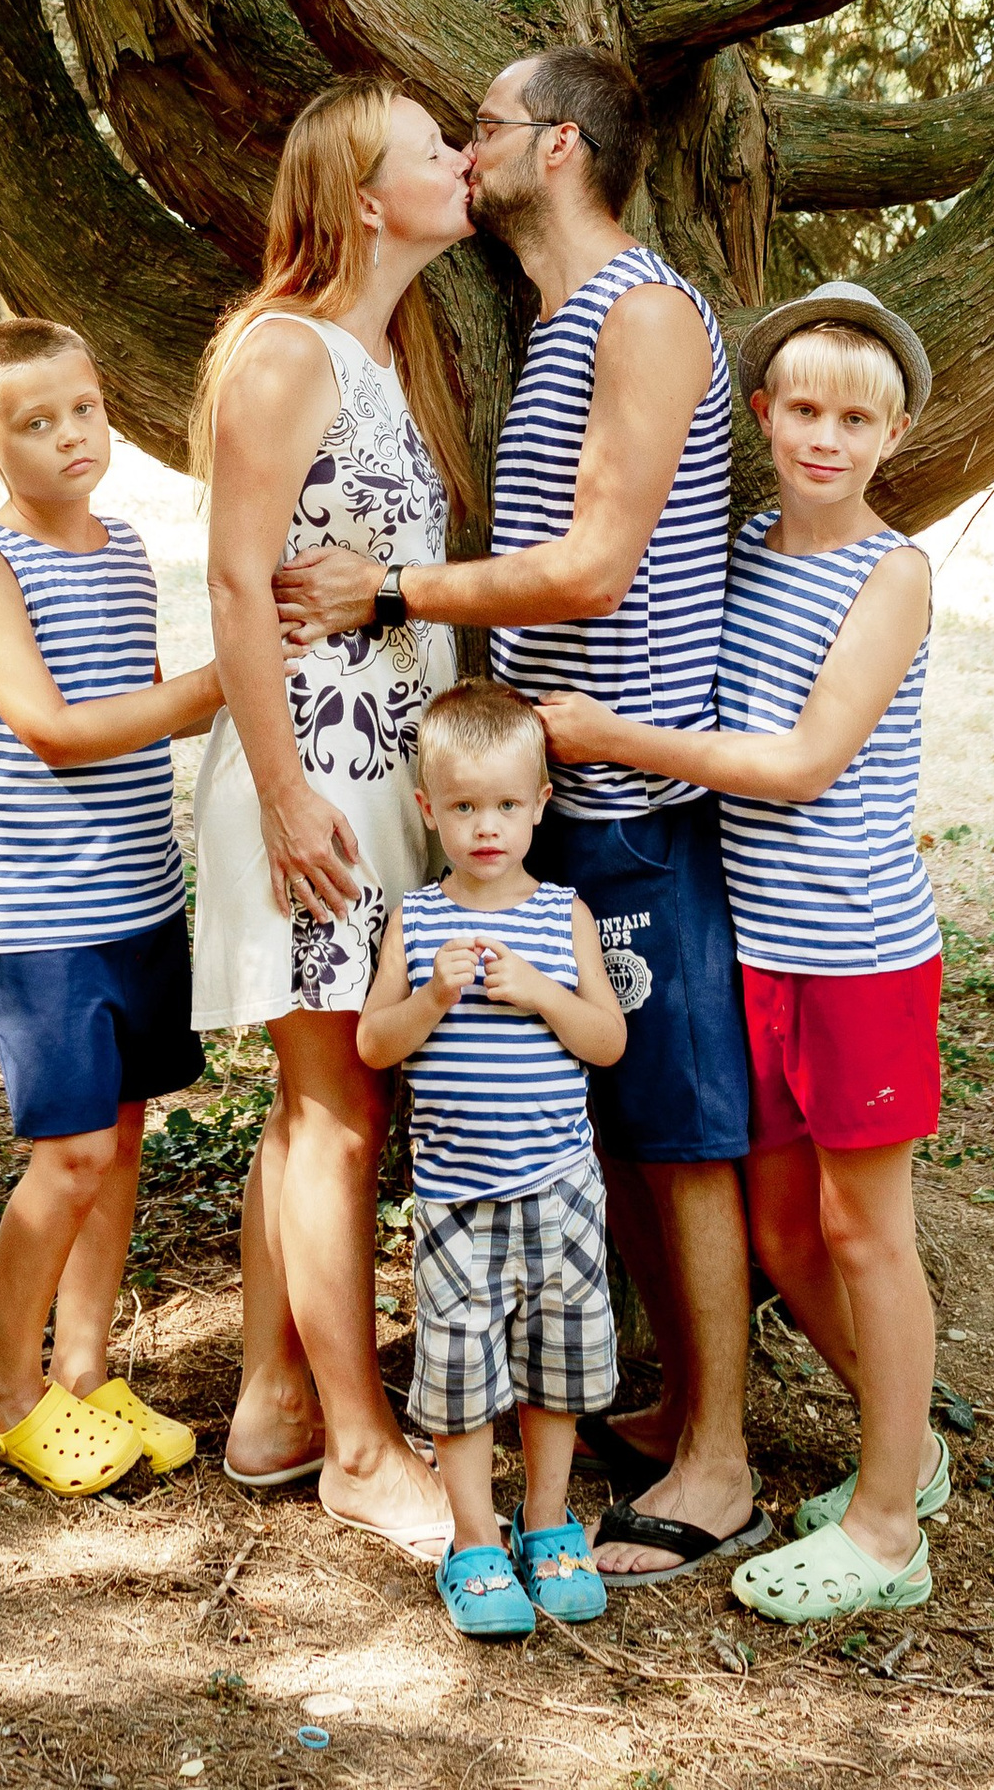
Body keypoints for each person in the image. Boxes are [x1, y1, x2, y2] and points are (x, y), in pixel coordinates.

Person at [276, 46, 759, 1586]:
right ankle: (665, 1405)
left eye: (481, 128)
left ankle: (723, 1463)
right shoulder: (557, 322)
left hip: (640, 795)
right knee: (607, 1118)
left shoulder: (646, 314)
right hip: (552, 803)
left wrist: (389, 592)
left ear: (557, 146)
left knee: (681, 1132)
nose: (464, 151)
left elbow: (598, 568)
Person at [540, 282, 945, 1624]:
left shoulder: (891, 575)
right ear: (763, 414)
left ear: (893, 435)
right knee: (781, 1227)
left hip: (856, 953)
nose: (827, 438)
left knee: (865, 1233)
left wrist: (612, 738)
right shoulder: (747, 550)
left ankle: (888, 1525)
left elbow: (805, 761)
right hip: (755, 944)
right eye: (806, 411)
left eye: (857, 421)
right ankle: (905, 1449)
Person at [190, 78, 474, 1562]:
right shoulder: (287, 351)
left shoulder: (377, 354)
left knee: (315, 1104)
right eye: (433, 149)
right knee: (338, 1112)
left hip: (372, 769)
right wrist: (287, 794)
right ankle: (363, 1453)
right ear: (366, 198)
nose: (463, 160)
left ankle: (273, 1405)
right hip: (314, 775)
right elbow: (236, 582)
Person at [0, 316, 223, 1498]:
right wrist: (224, 682)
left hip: (138, 894)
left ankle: (84, 1374)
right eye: (35, 422)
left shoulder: (125, 549)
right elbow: (53, 730)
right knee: (68, 1156)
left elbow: (138, 707)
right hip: (41, 915)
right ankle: (4, 1395)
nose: (70, 436)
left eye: (85, 410)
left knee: (122, 1139)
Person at [356, 681, 626, 1642]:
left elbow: (607, 1042)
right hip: (457, 1199)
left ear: (541, 805)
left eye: (507, 804)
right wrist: (430, 997)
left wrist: (545, 993)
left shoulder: (563, 916)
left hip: (562, 1192)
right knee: (460, 1368)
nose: (486, 826)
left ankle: (547, 1524)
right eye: (464, 805)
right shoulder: (417, 920)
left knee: (559, 1363)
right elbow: (374, 1045)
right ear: (428, 809)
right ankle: (472, 1539)